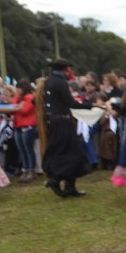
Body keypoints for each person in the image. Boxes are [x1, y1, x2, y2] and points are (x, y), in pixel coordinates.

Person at [40, 58, 98, 197]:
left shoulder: (48, 81)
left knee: (67, 153)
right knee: (74, 154)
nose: (70, 72)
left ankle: (69, 186)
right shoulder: (60, 82)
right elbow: (70, 102)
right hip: (62, 122)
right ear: (65, 69)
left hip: (54, 122)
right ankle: (56, 180)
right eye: (69, 70)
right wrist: (91, 106)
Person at [11, 79, 37, 183]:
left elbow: (24, 110)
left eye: (19, 88)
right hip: (18, 126)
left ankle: (31, 170)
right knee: (21, 149)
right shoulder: (18, 98)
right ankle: (25, 169)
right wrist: (18, 102)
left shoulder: (30, 98)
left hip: (28, 126)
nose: (17, 90)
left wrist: (17, 106)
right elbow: (12, 107)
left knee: (28, 149)